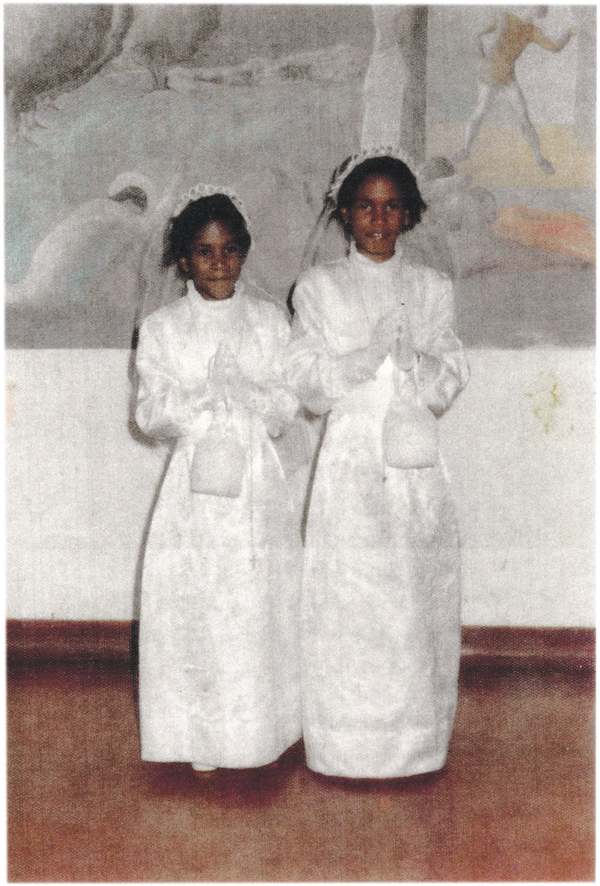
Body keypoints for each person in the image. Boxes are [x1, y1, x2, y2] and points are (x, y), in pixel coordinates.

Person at [286, 150, 470, 778]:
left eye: (393, 206)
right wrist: (361, 358)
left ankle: (415, 743)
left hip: (415, 461)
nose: (379, 219)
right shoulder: (318, 288)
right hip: (352, 458)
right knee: (354, 597)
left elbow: (452, 372)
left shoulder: (430, 288)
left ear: (410, 214)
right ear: (345, 213)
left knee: (414, 596)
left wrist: (416, 363)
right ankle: (347, 744)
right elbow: (307, 379)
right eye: (366, 206)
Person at [135, 186, 302, 772]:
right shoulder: (162, 328)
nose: (219, 263)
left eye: (231, 250)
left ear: (245, 252)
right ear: (183, 259)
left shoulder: (266, 320)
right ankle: (201, 736)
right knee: (199, 601)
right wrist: (203, 395)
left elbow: (286, 408)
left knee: (257, 599)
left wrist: (247, 393)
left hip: (256, 482)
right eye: (205, 252)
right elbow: (149, 414)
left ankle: (263, 729)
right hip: (195, 489)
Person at [453, 6, 576, 174]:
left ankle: (539, 159)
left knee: (524, 119)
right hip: (489, 73)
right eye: (536, 9)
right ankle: (464, 149)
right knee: (479, 113)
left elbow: (554, 47)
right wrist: (481, 59)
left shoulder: (532, 30)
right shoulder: (505, 17)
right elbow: (477, 34)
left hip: (508, 76)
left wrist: (569, 32)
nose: (535, 13)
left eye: (539, 12)